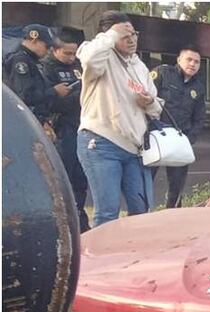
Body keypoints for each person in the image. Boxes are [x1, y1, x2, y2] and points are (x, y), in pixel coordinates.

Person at [76, 11, 161, 226]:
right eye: (125, 35)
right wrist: (111, 35)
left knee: (142, 211)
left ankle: (135, 255)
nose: (132, 39)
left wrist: (149, 102)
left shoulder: (139, 66)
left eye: (134, 33)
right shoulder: (97, 55)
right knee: (107, 213)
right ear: (110, 37)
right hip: (101, 143)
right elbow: (90, 58)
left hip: (135, 149)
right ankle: (103, 259)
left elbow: (157, 108)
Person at [40, 26, 89, 231]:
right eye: (67, 53)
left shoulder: (79, 66)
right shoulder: (46, 69)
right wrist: (76, 98)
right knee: (63, 178)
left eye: (74, 53)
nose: (71, 57)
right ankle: (62, 222)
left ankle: (79, 217)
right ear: (55, 49)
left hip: (82, 127)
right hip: (61, 130)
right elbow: (49, 101)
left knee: (81, 177)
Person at [149, 45, 205, 208]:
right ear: (179, 60)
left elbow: (199, 118)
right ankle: (141, 215)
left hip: (180, 139)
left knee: (177, 186)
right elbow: (146, 98)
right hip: (156, 136)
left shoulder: (198, 88)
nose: (192, 64)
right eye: (189, 59)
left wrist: (189, 139)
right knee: (145, 180)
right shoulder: (163, 74)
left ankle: (172, 216)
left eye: (197, 62)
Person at [3, 24, 70, 124]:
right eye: (46, 46)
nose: (48, 51)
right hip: (24, 120)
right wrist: (54, 91)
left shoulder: (33, 61)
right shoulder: (20, 60)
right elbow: (25, 96)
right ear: (34, 40)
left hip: (36, 118)